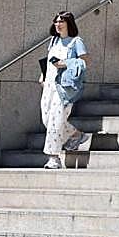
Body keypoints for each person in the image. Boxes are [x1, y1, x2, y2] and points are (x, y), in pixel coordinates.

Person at [40, 12, 89, 169]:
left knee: (55, 121)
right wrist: (43, 76)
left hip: (64, 87)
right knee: (47, 120)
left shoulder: (76, 41)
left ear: (69, 23)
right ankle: (76, 135)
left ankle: (54, 158)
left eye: (61, 21)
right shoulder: (54, 41)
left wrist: (65, 63)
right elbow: (49, 61)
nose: (58, 24)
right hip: (49, 85)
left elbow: (84, 62)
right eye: (56, 21)